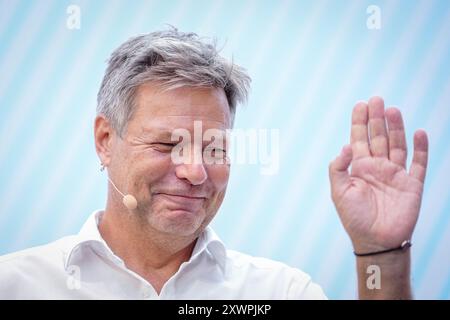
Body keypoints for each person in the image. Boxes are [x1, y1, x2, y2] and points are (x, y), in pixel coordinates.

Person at [0, 28, 428, 299]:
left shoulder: (280, 291)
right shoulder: (15, 286)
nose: (195, 171)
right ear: (105, 141)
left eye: (214, 148)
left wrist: (380, 255)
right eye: (168, 144)